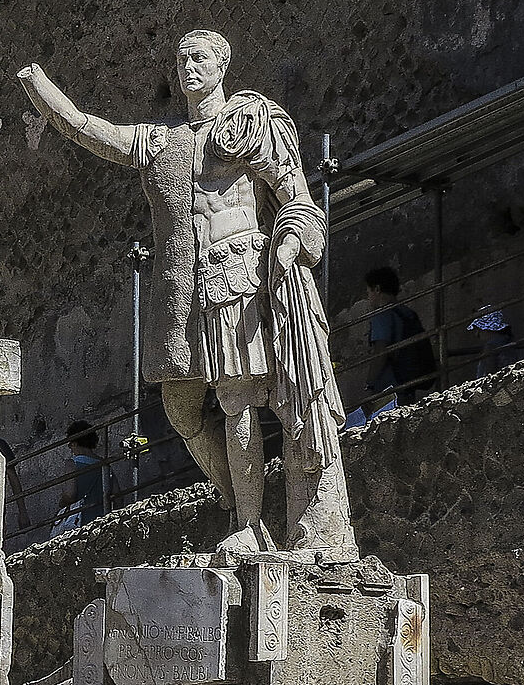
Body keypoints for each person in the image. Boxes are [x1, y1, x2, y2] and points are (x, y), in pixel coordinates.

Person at [19, 30, 355, 558]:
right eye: (180, 61)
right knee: (210, 407)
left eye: (198, 59)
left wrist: (289, 245)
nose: (187, 68)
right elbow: (94, 131)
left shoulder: (251, 123)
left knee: (266, 403)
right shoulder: (166, 144)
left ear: (222, 67)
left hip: (252, 276)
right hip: (199, 289)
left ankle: (280, 525)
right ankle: (242, 512)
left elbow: (297, 198)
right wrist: (41, 89)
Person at [341, 266, 438, 424]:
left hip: (389, 388)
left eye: (368, 292)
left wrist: (369, 385)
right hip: (408, 385)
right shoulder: (407, 313)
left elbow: (381, 350)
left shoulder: (382, 315)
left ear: (377, 289)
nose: (369, 297)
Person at [49, 421, 109, 536]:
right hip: (101, 522)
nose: (71, 449)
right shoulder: (105, 465)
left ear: (75, 443)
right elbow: (117, 496)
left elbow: (69, 495)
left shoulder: (72, 464)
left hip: (80, 523)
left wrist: (61, 503)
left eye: (70, 445)